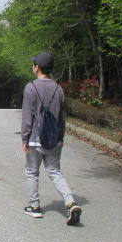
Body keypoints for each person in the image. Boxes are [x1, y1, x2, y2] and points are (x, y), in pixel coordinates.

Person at [21, 52, 82, 226]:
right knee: (55, 172)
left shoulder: (31, 87)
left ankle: (35, 207)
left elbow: (27, 116)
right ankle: (70, 203)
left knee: (32, 172)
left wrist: (25, 138)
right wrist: (60, 137)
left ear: (37, 67)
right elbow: (62, 117)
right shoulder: (58, 89)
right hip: (54, 138)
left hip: (35, 138)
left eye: (34, 64)